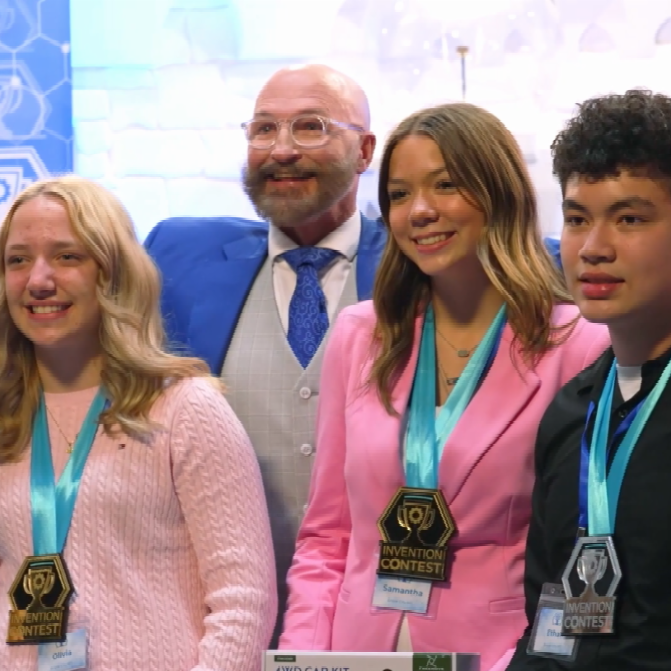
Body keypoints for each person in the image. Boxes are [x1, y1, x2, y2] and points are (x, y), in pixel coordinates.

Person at [278, 103, 609, 671]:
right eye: (399, 194)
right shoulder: (359, 334)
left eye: (446, 185)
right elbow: (327, 535)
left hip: (501, 653)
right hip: (356, 652)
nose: (420, 211)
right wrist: (301, 657)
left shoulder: (580, 345)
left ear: (499, 194)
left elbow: (580, 553)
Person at [145, 63, 384, 642]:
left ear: (364, 151)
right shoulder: (179, 258)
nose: (281, 150)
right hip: (216, 621)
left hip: (377, 618)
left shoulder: (419, 263)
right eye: (263, 129)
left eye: (310, 127)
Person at [0, 176, 277, 670]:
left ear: (113, 274)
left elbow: (244, 602)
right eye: (17, 259)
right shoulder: (6, 421)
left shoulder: (186, 410)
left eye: (67, 256)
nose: (38, 280)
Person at [507, 90, 671, 670]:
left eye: (630, 219)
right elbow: (546, 618)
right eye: (577, 219)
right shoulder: (573, 408)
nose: (594, 248)